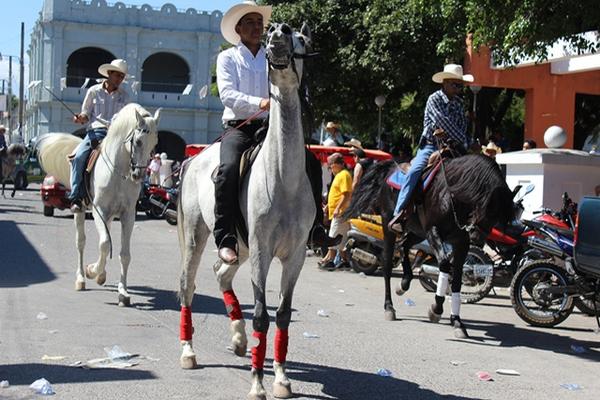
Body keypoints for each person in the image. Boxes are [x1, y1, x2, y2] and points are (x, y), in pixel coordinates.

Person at [215, 1, 339, 264]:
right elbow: (227, 95)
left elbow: (293, 79)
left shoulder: (273, 54)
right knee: (227, 169)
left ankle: (315, 227)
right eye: (250, 22)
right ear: (238, 28)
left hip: (273, 127)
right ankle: (225, 236)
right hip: (239, 127)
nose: (256, 27)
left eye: (259, 23)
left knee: (312, 164)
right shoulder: (227, 58)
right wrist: (259, 103)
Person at [388, 63, 474, 232]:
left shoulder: (459, 104)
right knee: (415, 171)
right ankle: (398, 214)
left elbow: (462, 126)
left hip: (452, 147)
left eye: (460, 85)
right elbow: (445, 123)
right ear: (445, 83)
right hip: (430, 146)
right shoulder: (434, 99)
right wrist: (460, 138)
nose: (458, 88)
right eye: (455, 84)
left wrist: (462, 141)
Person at [69, 58, 130, 212]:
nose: (120, 80)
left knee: (135, 160)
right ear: (109, 74)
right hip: (95, 132)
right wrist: (81, 118)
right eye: (118, 76)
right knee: (79, 157)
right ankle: (76, 197)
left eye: (122, 77)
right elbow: (86, 112)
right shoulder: (93, 91)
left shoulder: (125, 96)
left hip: (116, 136)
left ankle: (135, 196)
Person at [319, 153, 352, 270]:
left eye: (331, 166)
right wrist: (328, 206)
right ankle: (344, 260)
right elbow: (337, 194)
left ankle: (330, 259)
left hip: (341, 212)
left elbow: (346, 194)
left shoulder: (344, 175)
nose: (330, 169)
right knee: (340, 236)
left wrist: (337, 208)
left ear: (338, 164)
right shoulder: (339, 175)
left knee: (333, 235)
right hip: (339, 211)